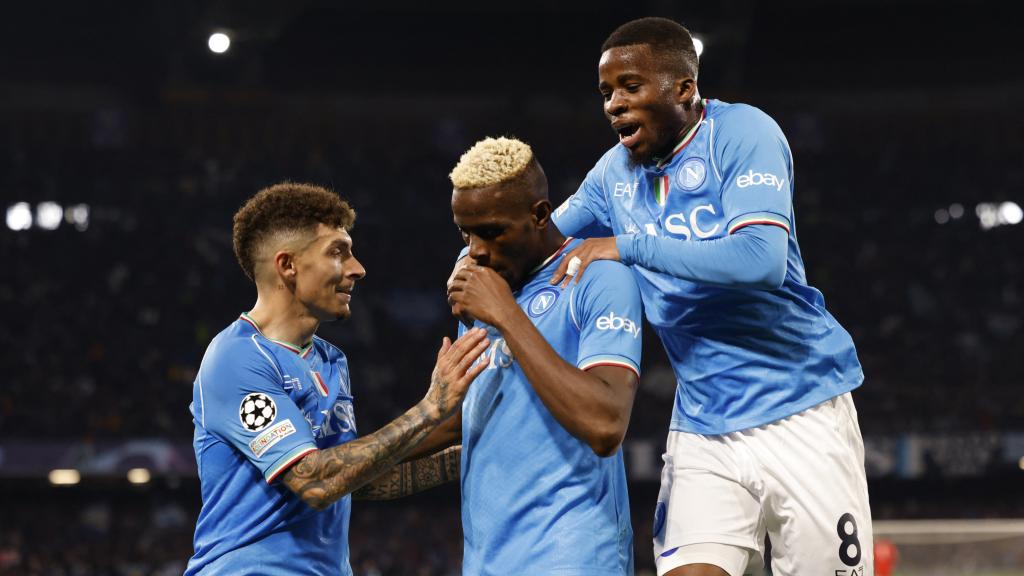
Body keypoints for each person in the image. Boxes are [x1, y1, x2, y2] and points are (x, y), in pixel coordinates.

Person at [447, 17, 873, 576]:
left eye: (630, 87)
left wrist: (629, 245)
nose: (614, 105)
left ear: (684, 89)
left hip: (802, 405)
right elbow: (534, 237)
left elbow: (760, 261)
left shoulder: (743, 134)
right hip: (703, 423)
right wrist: (469, 262)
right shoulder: (614, 173)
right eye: (606, 93)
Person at [185, 182, 489, 575]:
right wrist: (431, 408)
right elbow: (315, 481)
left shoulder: (330, 360)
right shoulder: (237, 357)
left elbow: (353, 478)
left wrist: (483, 451)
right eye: (337, 252)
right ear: (287, 265)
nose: (357, 269)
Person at [442, 137, 644, 575]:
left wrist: (507, 315)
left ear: (539, 215)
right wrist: (353, 464)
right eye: (466, 233)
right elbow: (462, 416)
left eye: (492, 232)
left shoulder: (598, 279)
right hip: (485, 562)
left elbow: (606, 424)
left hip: (571, 558)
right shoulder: (487, 284)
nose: (476, 250)